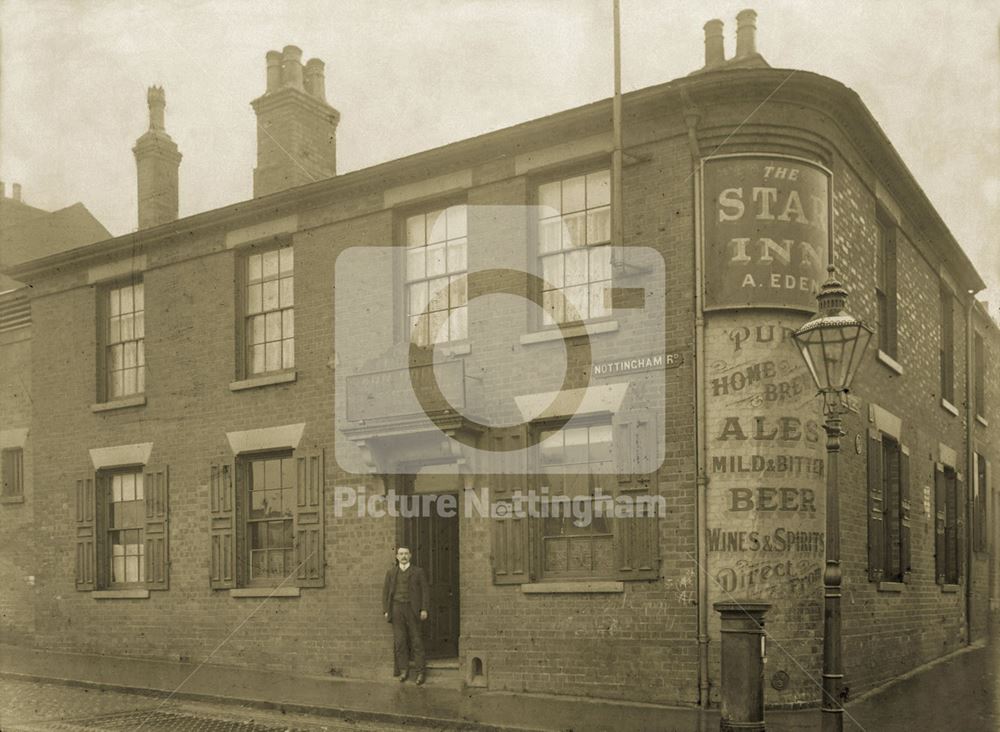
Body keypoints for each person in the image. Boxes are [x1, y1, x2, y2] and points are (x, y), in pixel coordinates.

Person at [382, 545, 430, 684]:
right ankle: (404, 670)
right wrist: (386, 610)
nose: (403, 556)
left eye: (406, 554)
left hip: (413, 609)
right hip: (397, 608)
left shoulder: (418, 572)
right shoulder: (391, 572)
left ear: (410, 556)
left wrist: (424, 609)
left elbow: (425, 592)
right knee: (400, 641)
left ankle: (420, 673)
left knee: (416, 641)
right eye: (401, 554)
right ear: (397, 557)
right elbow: (385, 593)